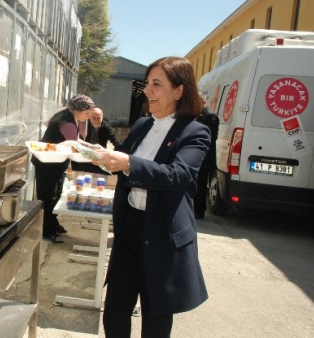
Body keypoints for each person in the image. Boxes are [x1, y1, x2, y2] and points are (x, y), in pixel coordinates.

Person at [91, 57, 210, 338]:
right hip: (130, 229)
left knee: (156, 318)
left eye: (157, 84)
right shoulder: (143, 125)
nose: (148, 90)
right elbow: (123, 158)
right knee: (115, 311)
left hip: (161, 234)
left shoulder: (195, 132)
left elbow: (177, 175)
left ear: (179, 91)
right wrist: (95, 154)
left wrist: (127, 162)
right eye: (148, 84)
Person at [32, 94, 96, 243]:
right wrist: (94, 154)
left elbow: (76, 140)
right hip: (47, 164)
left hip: (55, 163)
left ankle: (53, 223)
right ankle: (47, 230)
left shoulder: (70, 116)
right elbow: (75, 144)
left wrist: (93, 146)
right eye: (87, 114)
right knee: (47, 197)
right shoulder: (66, 121)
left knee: (56, 194)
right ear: (79, 110)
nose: (87, 117)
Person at [73, 107, 122, 175]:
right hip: (85, 155)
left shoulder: (105, 127)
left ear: (102, 117)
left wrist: (119, 153)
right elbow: (76, 139)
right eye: (94, 118)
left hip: (99, 156)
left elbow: (115, 140)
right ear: (90, 117)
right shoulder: (84, 125)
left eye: (98, 118)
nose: (96, 120)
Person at [194, 94, 219, 219]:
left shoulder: (211, 116)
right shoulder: (198, 115)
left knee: (201, 183)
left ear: (202, 101)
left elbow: (210, 138)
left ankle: (199, 210)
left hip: (205, 156)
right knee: (196, 182)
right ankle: (195, 207)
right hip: (198, 155)